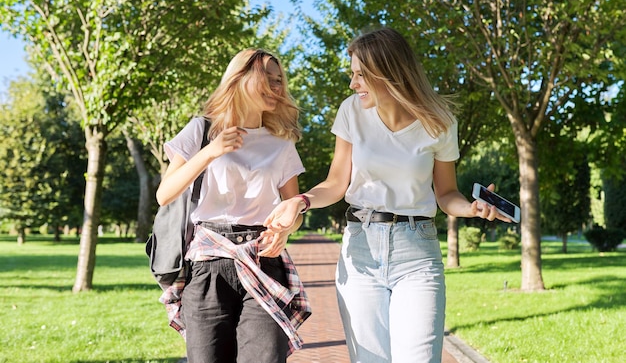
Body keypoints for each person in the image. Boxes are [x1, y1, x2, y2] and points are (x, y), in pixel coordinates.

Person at [263, 27, 510, 363]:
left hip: (417, 253)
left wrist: (471, 208)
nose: (353, 84)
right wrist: (300, 200)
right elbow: (336, 183)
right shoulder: (351, 111)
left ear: (389, 73)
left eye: (361, 75)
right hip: (361, 251)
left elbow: (447, 193)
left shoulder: (439, 121)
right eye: (352, 74)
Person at [156, 48, 311, 363]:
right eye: (266, 78)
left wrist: (285, 230)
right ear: (240, 79)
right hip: (207, 265)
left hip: (262, 259)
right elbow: (165, 194)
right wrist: (211, 151)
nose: (276, 86)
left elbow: (291, 207)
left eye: (279, 80)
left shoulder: (281, 142)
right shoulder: (203, 130)